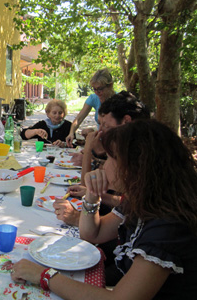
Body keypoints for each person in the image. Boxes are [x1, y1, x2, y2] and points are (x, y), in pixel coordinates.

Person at [12, 120, 197, 298]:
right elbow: (92, 233)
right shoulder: (142, 199)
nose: (104, 165)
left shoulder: (167, 225)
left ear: (135, 167)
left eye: (110, 158)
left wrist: (45, 275)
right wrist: (92, 195)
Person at [54, 91, 150, 226]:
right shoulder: (129, 149)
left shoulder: (143, 157)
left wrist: (88, 151)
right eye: (100, 124)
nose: (101, 131)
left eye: (106, 125)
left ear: (126, 121)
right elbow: (125, 202)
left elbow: (100, 230)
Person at [65, 69, 115, 147]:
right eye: (94, 89)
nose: (97, 92)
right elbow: (78, 119)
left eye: (100, 89)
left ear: (110, 85)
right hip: (100, 141)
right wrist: (71, 133)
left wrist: (94, 131)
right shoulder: (94, 98)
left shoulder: (119, 100)